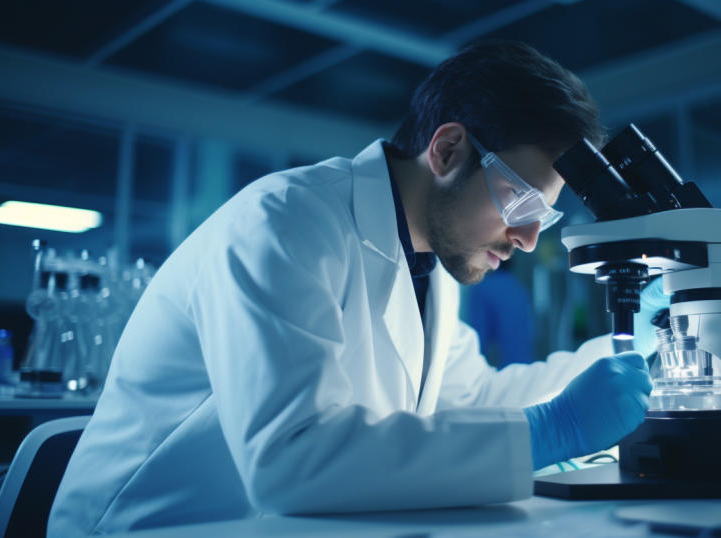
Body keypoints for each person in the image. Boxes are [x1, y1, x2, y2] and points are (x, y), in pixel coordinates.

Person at [48, 40, 666, 535]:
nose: (530, 239)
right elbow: (292, 459)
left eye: (544, 216)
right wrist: (552, 430)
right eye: (521, 199)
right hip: (155, 525)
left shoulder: (428, 265)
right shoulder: (286, 222)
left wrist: (625, 360)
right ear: (448, 149)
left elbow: (470, 399)